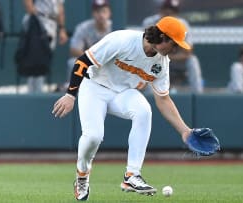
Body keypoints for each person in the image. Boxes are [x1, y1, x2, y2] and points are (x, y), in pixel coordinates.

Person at [52, 16, 196, 200]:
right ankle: (82, 175)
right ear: (162, 37)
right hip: (94, 87)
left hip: (122, 93)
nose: (175, 49)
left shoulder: (161, 62)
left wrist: (184, 130)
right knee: (94, 137)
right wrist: (70, 95)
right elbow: (82, 61)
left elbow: (163, 99)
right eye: (174, 44)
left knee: (144, 111)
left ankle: (132, 175)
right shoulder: (123, 40)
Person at [142, 0, 203, 93]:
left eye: (173, 11)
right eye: (166, 10)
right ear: (160, 10)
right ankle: (151, 97)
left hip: (175, 61)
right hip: (155, 61)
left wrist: (167, 57)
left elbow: (187, 53)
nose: (169, 13)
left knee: (192, 61)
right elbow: (146, 50)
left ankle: (198, 96)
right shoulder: (150, 22)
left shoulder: (182, 24)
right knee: (147, 62)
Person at [59, 0, 112, 91]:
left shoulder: (114, 28)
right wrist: (92, 59)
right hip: (89, 62)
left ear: (109, 13)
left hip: (108, 63)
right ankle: (73, 90)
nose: (101, 15)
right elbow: (74, 49)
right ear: (93, 13)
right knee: (73, 62)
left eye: (104, 11)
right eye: (97, 11)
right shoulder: (84, 27)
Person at [22, 0, 68, 93]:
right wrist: (35, 21)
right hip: (38, 20)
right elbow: (27, 2)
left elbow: (60, 8)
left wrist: (62, 28)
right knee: (35, 58)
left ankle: (37, 91)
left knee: (44, 59)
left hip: (52, 23)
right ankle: (33, 92)